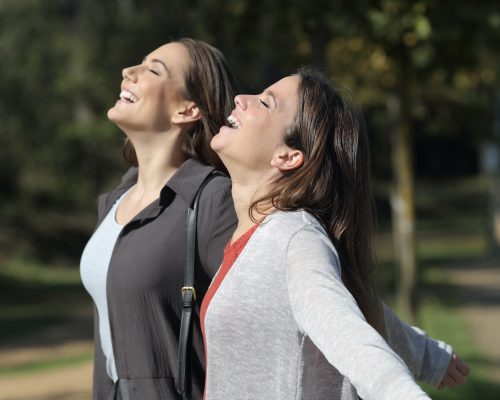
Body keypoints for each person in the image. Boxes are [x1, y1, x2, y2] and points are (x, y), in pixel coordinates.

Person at [201, 67, 470, 399]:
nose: (241, 99)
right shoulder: (263, 237)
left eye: (266, 103)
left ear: (287, 156)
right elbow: (343, 297)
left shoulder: (293, 239)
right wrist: (425, 353)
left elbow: (347, 332)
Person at [80, 38, 238, 400]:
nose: (128, 73)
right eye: (140, 62)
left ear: (187, 110)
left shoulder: (213, 200)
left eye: (153, 70)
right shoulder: (114, 201)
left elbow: (259, 323)